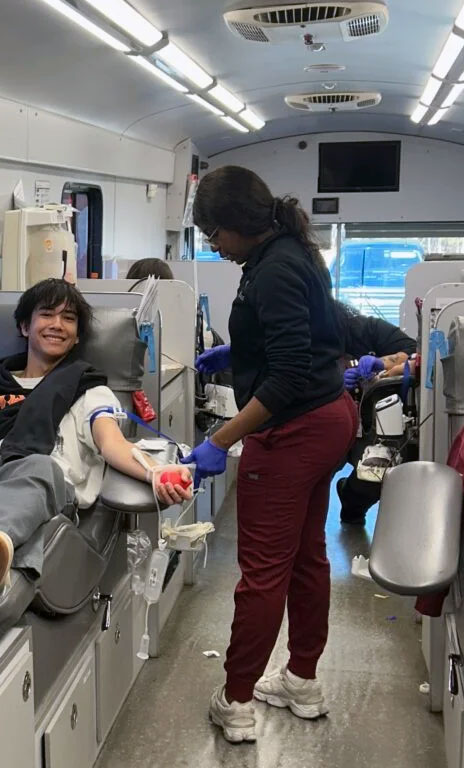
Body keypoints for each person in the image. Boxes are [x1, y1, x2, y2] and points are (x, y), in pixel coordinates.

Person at [183, 166, 357, 743]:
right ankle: (302, 680)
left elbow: (284, 379)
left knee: (261, 574)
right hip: (329, 418)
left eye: (214, 232)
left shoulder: (275, 268)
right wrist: (240, 351)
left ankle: (235, 701)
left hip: (293, 432)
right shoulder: (287, 251)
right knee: (307, 555)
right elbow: (309, 334)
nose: (212, 244)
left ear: (239, 224)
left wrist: (220, 440)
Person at [0, 278, 192, 596]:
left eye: (69, 318)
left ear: (77, 335)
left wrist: (156, 472)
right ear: (25, 326)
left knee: (41, 467)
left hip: (45, 489)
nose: (57, 325)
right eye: (47, 314)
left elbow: (113, 444)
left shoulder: (88, 390)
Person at [334, 301, 417, 525]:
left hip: (371, 421)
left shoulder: (365, 328)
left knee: (372, 475)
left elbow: (414, 351)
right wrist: (333, 381)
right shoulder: (307, 336)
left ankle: (352, 501)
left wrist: (381, 363)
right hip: (328, 416)